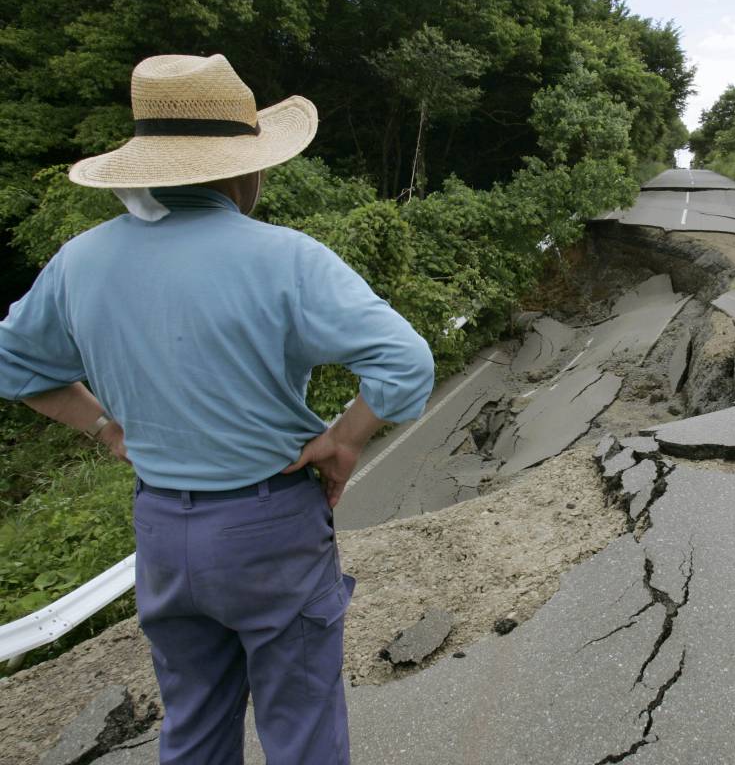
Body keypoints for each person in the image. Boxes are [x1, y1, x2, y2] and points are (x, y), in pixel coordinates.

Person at [0, 54, 435, 763]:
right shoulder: (285, 258)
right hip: (269, 526)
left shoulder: (79, 262)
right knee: (301, 728)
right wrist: (344, 440)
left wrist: (104, 427)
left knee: (195, 725)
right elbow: (406, 364)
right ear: (243, 168)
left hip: (163, 529)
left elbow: (13, 364)